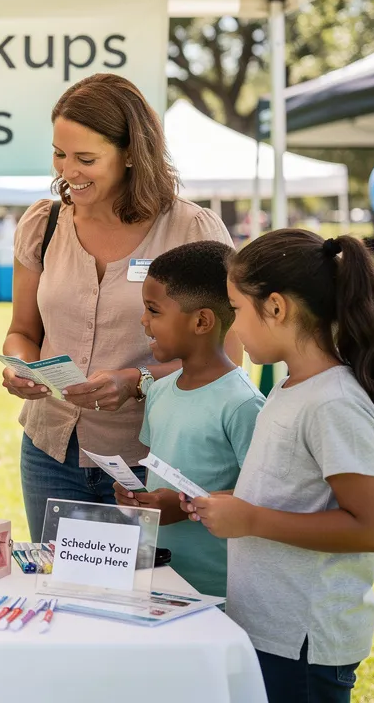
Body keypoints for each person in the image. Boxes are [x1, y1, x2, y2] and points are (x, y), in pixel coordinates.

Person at [1, 73, 236, 540]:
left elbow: (231, 360)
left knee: (142, 598)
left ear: (132, 153)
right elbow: (22, 330)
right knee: (58, 594)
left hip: (148, 461)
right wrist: (22, 366)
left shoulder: (193, 230)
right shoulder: (41, 223)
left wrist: (137, 381)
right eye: (60, 154)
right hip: (50, 452)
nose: (68, 171)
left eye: (86, 158)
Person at [185, 230, 374, 703]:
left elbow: (370, 528)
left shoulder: (334, 401)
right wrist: (237, 506)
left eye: (237, 310)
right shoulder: (292, 387)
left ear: (277, 308)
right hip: (270, 627)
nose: (234, 327)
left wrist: (252, 520)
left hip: (305, 640)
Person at [112, 241, 264, 598]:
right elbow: (158, 475)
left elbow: (263, 497)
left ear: (201, 321)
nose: (143, 320)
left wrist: (184, 507)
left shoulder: (243, 404)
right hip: (157, 578)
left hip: (217, 589)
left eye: (153, 310)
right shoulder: (159, 391)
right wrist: (138, 499)